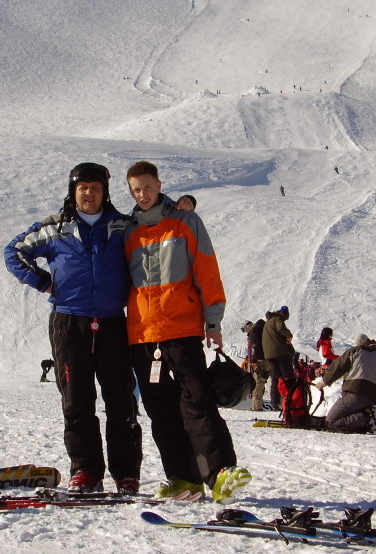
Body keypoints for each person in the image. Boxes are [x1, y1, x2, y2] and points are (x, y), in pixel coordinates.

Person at [5, 162, 143, 494]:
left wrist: (183, 206)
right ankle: (85, 471)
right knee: (76, 400)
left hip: (113, 322)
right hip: (69, 322)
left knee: (121, 400)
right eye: (83, 188)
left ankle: (126, 474)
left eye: (95, 188)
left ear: (104, 192)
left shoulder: (123, 226)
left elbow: (155, 229)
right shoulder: (56, 227)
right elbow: (14, 251)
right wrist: (42, 282)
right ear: (73, 191)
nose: (89, 194)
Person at [124, 160, 250, 503]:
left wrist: (213, 321)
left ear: (159, 184)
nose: (143, 194)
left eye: (148, 187)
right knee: (161, 411)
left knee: (197, 402)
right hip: (143, 336)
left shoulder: (185, 221)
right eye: (136, 190)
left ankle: (221, 474)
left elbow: (207, 269)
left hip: (181, 330)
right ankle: (183, 480)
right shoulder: (127, 231)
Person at [316, 334, 376, 433]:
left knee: (330, 422)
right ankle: (365, 416)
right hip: (370, 399)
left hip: (354, 393)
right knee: (347, 418)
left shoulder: (357, 351)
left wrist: (323, 382)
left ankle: (366, 417)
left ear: (362, 343)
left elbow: (338, 366)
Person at [262, 306, 294, 410]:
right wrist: (289, 335)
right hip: (279, 352)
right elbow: (280, 328)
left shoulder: (269, 321)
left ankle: (275, 402)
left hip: (269, 354)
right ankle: (290, 400)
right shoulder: (278, 319)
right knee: (288, 376)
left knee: (276, 378)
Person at [242, 319, 269, 410]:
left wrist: (254, 358)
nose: (245, 332)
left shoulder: (254, 333)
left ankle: (256, 406)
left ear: (248, 326)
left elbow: (257, 348)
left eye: (244, 329)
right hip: (270, 358)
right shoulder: (261, 331)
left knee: (258, 382)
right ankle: (279, 404)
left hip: (261, 360)